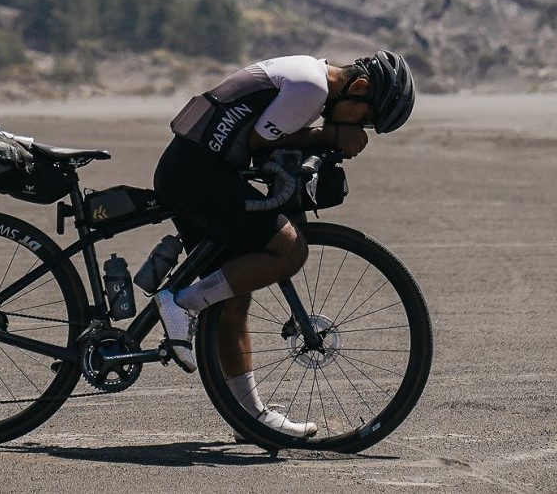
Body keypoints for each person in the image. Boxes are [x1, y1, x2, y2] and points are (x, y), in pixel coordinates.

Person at [152, 50, 416, 438]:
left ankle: (249, 418)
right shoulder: (311, 86)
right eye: (366, 119)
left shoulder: (309, 75)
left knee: (233, 296)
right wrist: (332, 135)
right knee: (290, 249)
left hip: (197, 168)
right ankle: (182, 303)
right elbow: (260, 141)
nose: (362, 129)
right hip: (198, 173)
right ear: (358, 88)